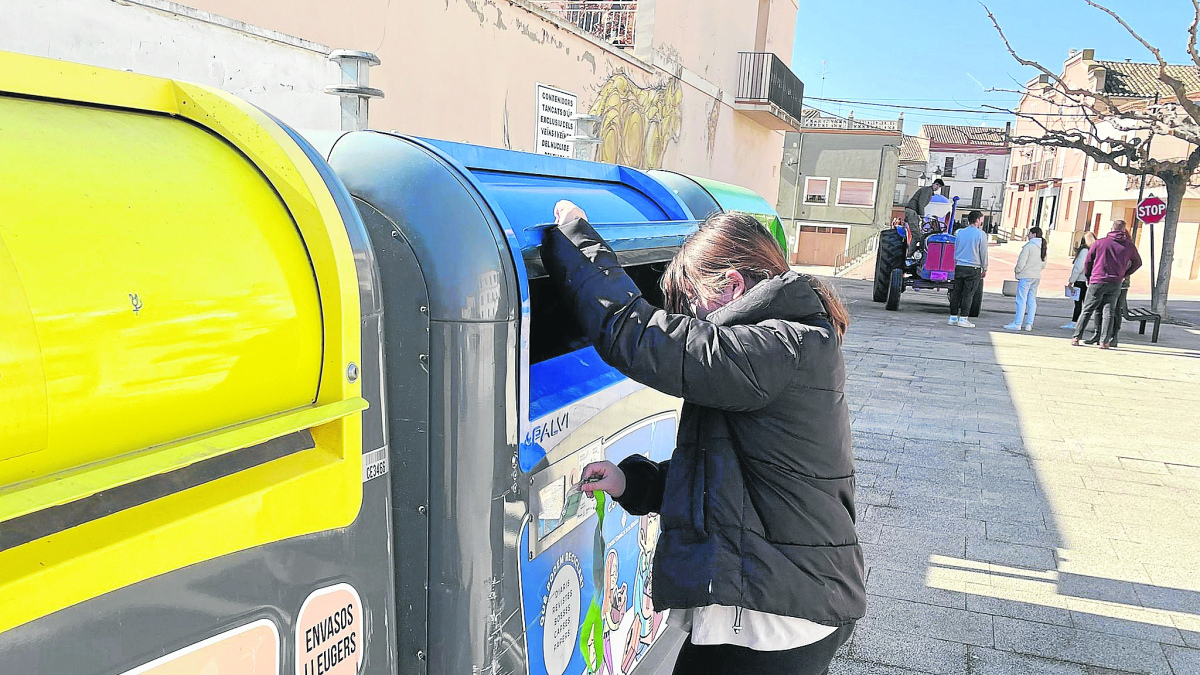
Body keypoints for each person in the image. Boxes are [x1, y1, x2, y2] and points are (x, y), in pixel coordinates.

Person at [541, 201, 863, 675]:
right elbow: (735, 480)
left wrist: (576, 241)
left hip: (775, 618)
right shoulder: (785, 347)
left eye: (691, 304)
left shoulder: (778, 347)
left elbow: (640, 337)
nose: (689, 318)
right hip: (785, 600)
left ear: (732, 285)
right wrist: (633, 483)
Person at [1072, 219, 1142, 349]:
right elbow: (1138, 263)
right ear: (1123, 230)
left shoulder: (1100, 243)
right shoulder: (1129, 246)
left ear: (1111, 228)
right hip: (1115, 282)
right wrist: (1125, 273)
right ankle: (1104, 341)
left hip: (1097, 279)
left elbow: (1088, 261)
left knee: (1087, 309)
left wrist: (1089, 276)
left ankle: (1077, 337)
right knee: (1109, 311)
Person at [948, 210, 989, 328]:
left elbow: (955, 249)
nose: (982, 221)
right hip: (973, 267)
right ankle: (964, 318)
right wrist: (984, 267)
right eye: (981, 219)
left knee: (956, 292)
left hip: (960, 266)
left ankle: (953, 317)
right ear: (977, 220)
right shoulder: (981, 234)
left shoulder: (959, 232)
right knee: (968, 294)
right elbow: (983, 252)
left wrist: (956, 262)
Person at [1005, 226, 1048, 331]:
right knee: (1032, 300)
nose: (1028, 235)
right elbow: (1044, 264)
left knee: (1021, 299)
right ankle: (1029, 323)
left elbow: (1021, 262)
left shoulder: (1029, 246)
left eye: (1029, 233)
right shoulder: (1042, 246)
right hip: (1036, 276)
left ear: (1033, 234)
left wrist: (1017, 270)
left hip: (1026, 275)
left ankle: (1017, 323)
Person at [1062, 232, 1097, 331]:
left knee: (1078, 303)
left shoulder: (1084, 251)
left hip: (1081, 280)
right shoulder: (1094, 250)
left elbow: (1079, 267)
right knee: (1086, 304)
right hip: (1089, 281)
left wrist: (1071, 280)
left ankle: (1075, 322)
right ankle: (1081, 323)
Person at [905, 178, 946, 255]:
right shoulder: (927, 190)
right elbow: (921, 203)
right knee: (917, 235)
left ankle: (912, 253)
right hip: (912, 211)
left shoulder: (929, 191)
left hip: (913, 211)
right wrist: (922, 216)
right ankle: (911, 254)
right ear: (933, 184)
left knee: (917, 234)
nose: (937, 187)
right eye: (937, 185)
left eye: (939, 186)